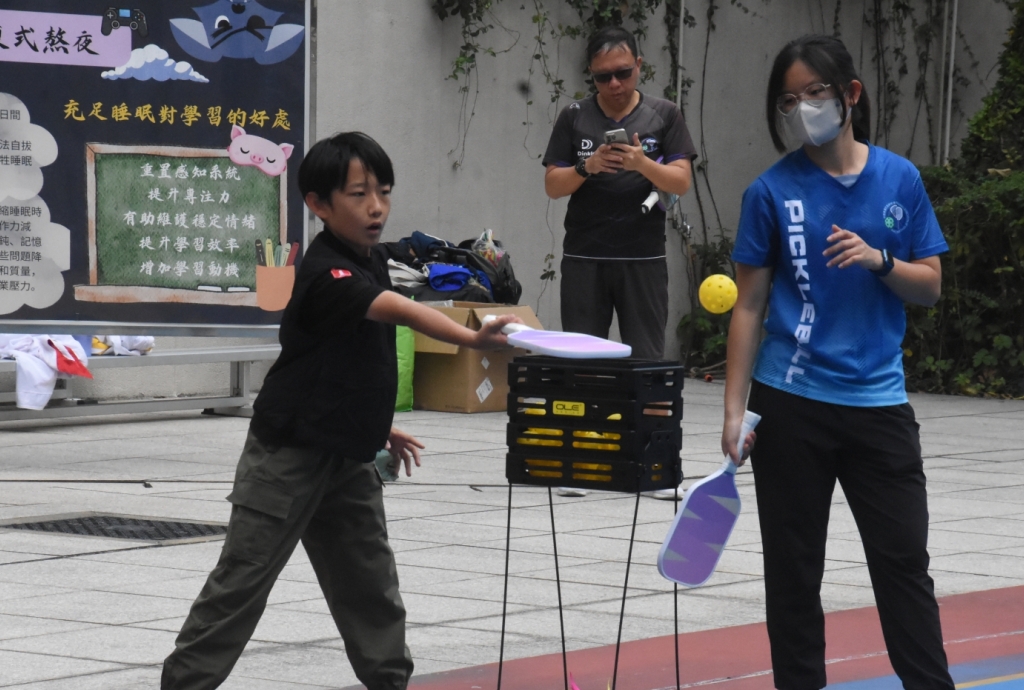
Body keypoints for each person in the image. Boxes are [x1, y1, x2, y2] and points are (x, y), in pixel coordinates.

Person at [161, 132, 520, 690]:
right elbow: (396, 310)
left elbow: (349, 362)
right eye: (358, 194)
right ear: (319, 204)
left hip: (349, 456)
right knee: (241, 582)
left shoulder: (373, 257)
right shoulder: (326, 271)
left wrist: (379, 425)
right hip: (287, 456)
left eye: (384, 192)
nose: (376, 207)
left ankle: (390, 682)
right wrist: (472, 338)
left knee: (370, 585)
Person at [722, 35, 954, 690]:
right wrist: (735, 411)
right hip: (790, 406)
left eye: (815, 93)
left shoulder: (900, 179)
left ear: (850, 93)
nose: (803, 109)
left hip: (879, 406)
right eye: (788, 100)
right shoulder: (769, 192)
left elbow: (930, 286)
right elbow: (749, 306)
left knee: (903, 565)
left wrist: (880, 260)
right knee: (793, 574)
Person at [542, 25, 696, 499]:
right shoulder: (574, 117)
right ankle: (580, 462)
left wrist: (640, 163)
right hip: (585, 255)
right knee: (580, 360)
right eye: (602, 76)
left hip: (643, 257)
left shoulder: (664, 114)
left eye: (623, 73)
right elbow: (552, 185)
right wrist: (587, 167)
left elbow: (680, 181)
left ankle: (653, 466)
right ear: (590, 75)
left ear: (639, 67)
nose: (613, 84)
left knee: (648, 361)